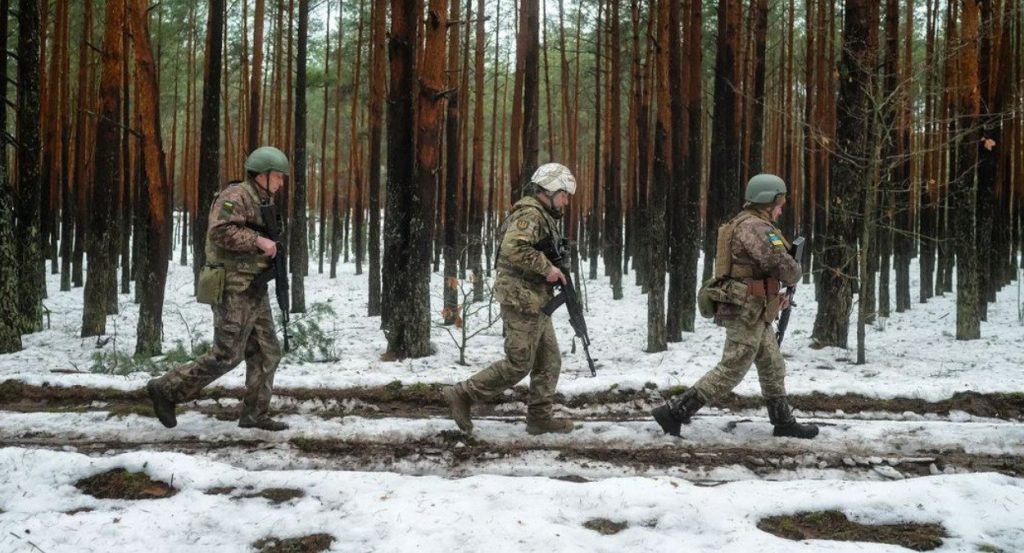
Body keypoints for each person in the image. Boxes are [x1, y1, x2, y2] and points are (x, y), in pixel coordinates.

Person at [652, 174, 819, 439]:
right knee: (732, 369)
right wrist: (794, 272)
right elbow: (784, 267)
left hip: (754, 308)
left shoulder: (751, 224)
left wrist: (775, 295)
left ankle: (783, 421)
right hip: (746, 310)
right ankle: (674, 412)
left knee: (773, 364)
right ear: (768, 200)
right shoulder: (756, 228)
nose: (781, 208)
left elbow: (762, 270)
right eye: (779, 202)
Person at [147, 146, 291, 431]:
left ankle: (254, 414)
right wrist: (258, 242)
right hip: (232, 287)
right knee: (227, 355)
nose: (281, 182)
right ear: (263, 174)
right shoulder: (235, 196)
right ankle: (167, 390)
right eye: (279, 176)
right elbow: (220, 230)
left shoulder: (263, 201)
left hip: (253, 286)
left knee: (266, 352)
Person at [443, 163, 579, 435]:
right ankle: (463, 394)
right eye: (564, 194)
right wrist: (548, 269)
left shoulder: (543, 215)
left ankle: (539, 418)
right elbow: (514, 246)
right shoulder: (529, 214)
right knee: (519, 363)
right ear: (550, 190)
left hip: (536, 298)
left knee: (549, 361)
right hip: (521, 298)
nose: (566, 200)